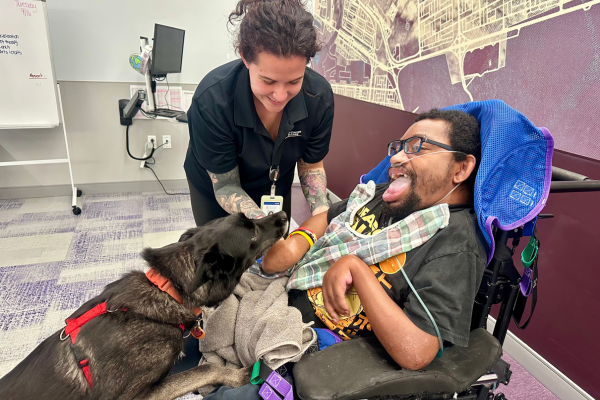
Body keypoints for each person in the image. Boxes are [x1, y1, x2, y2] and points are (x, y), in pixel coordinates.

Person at [261, 109, 488, 371]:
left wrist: (356, 268)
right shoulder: (383, 195)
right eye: (399, 147)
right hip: (279, 305)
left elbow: (416, 352)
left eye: (417, 147)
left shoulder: (455, 243)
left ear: (461, 168)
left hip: (319, 355)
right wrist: (296, 244)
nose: (396, 158)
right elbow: (327, 217)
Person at [184, 0, 334, 227]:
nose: (280, 96)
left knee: (278, 246)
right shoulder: (212, 101)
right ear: (245, 57)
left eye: (294, 81)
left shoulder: (319, 98)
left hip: (275, 186)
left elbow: (311, 166)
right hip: (220, 188)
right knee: (225, 248)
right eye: (268, 81)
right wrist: (264, 227)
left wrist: (322, 213)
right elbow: (226, 185)